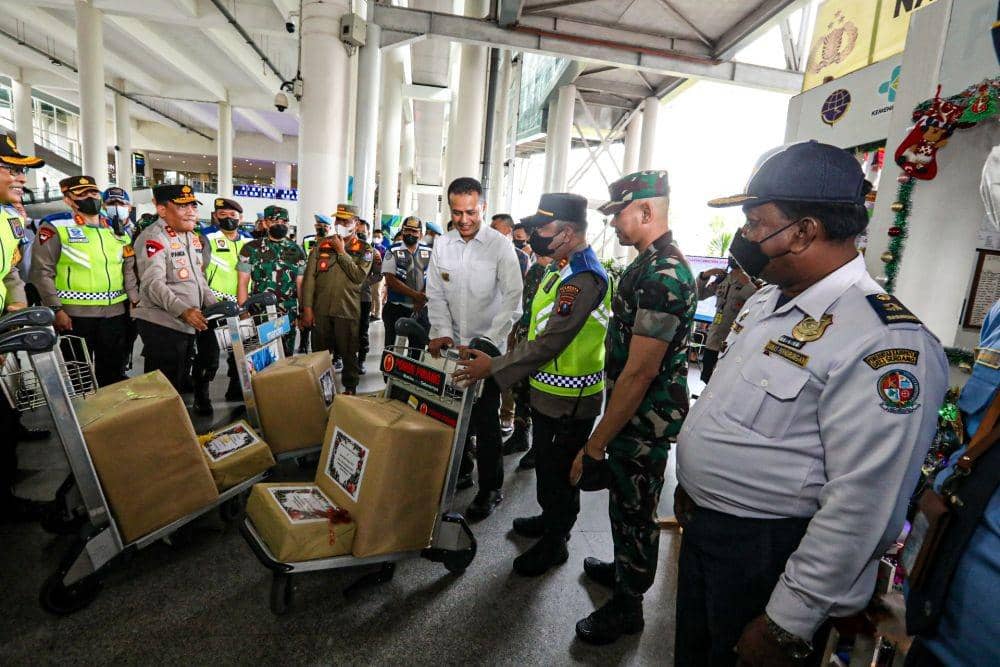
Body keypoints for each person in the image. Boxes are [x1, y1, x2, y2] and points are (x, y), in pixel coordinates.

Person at [671, 141, 947, 666]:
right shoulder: (768, 301)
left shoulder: (883, 342)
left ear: (804, 230)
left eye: (757, 222)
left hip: (771, 555)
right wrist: (696, 487)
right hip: (712, 533)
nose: (746, 237)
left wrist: (786, 622)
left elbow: (864, 503)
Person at [568, 170, 696, 645]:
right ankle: (625, 571)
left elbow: (641, 372)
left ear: (646, 211)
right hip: (633, 413)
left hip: (645, 419)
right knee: (625, 504)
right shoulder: (649, 262)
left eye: (618, 214)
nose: (614, 224)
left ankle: (629, 604)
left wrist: (597, 441)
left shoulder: (665, 274)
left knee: (637, 506)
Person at [455, 193, 611, 576]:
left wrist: (494, 367)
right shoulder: (561, 266)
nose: (536, 236)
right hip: (548, 393)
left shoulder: (584, 278)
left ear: (568, 232)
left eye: (544, 229)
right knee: (547, 466)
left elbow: (550, 341)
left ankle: (556, 542)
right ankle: (548, 519)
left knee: (560, 475)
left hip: (569, 399)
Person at [426, 177, 522, 520]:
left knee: (485, 421)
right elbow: (435, 294)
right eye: (456, 212)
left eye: (470, 212)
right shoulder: (443, 245)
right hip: (453, 347)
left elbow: (513, 300)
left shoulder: (499, 246)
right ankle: (462, 469)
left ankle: (491, 487)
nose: (464, 219)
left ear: (482, 206)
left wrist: (489, 343)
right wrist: (440, 332)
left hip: (486, 350)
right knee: (451, 412)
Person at [30, 176, 137, 388]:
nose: (90, 197)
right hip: (75, 316)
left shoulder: (116, 229)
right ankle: (87, 419)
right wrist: (56, 309)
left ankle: (113, 418)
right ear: (69, 199)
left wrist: (134, 300)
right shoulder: (56, 226)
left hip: (115, 314)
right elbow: (41, 272)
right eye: (81, 193)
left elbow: (127, 269)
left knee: (114, 374)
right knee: (81, 376)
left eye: (94, 192)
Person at [0, 135, 50, 522]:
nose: (21, 178)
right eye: (11, 169)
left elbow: (12, 271)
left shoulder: (7, 218)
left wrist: (16, 307)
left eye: (21, 171)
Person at [132, 184, 217, 393]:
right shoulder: (154, 238)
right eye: (182, 207)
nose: (191, 212)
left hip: (186, 323)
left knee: (178, 380)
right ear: (162, 210)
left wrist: (216, 307)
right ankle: (159, 424)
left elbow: (199, 278)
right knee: (163, 387)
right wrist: (183, 310)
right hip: (163, 324)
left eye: (193, 206)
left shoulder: (189, 236)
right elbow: (153, 284)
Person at [300, 204, 372, 395]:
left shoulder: (365, 249)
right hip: (321, 310)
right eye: (338, 220)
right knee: (319, 355)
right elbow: (309, 279)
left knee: (349, 354)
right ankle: (322, 391)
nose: (340, 224)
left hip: (346, 311)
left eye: (345, 221)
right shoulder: (322, 245)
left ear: (356, 224)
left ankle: (350, 389)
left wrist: (341, 252)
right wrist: (307, 309)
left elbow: (358, 276)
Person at [191, 197, 247, 411]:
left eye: (233, 216)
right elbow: (199, 271)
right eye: (223, 215)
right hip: (213, 305)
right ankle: (201, 396)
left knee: (239, 352)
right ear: (215, 216)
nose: (228, 219)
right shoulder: (206, 238)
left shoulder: (247, 241)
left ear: (240, 218)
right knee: (209, 355)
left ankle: (236, 387)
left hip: (240, 307)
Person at [507, 243, 553, 468]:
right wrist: (514, 334)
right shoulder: (535, 269)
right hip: (524, 338)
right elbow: (525, 307)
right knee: (520, 388)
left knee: (536, 393)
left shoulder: (559, 273)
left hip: (541, 345)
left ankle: (538, 447)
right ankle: (520, 436)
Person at [237, 205, 305, 357]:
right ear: (265, 223)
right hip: (259, 314)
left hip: (288, 315)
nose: (280, 224)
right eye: (274, 221)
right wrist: (243, 313)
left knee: (285, 358)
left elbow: (300, 284)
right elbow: (242, 283)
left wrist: (303, 312)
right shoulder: (250, 249)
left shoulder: (297, 250)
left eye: (284, 221)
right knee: (259, 359)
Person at [695, 259, 758, 383]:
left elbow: (757, 303)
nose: (733, 258)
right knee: (707, 375)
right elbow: (699, 295)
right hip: (714, 337)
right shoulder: (722, 279)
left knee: (726, 379)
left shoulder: (752, 281)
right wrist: (705, 275)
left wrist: (748, 284)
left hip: (735, 340)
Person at [381, 216, 432, 346]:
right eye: (407, 230)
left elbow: (433, 278)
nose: (410, 233)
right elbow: (390, 280)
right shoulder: (392, 250)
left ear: (420, 234)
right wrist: (415, 296)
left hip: (421, 309)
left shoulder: (430, 252)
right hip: (396, 308)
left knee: (417, 350)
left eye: (414, 231)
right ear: (402, 231)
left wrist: (422, 299)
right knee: (392, 349)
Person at [355, 219, 381, 374]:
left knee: (362, 331)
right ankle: (338, 357)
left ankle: (361, 361)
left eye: (363, 231)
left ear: (368, 233)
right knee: (342, 329)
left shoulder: (373, 253)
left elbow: (378, 275)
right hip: (344, 298)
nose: (360, 233)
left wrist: (362, 284)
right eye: (357, 230)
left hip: (363, 298)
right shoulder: (344, 250)